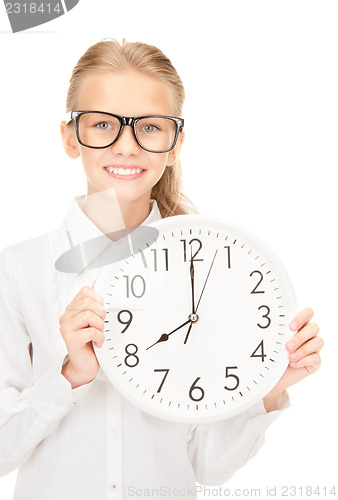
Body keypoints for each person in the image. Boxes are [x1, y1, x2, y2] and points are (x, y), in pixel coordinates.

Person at [0, 39, 323, 500]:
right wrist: (69, 374)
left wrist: (270, 384)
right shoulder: (20, 270)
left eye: (150, 127)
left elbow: (207, 467)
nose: (126, 146)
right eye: (103, 125)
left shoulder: (211, 271)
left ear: (175, 144)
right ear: (71, 137)